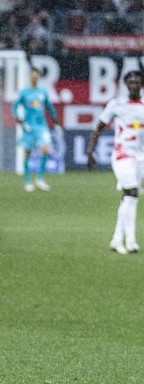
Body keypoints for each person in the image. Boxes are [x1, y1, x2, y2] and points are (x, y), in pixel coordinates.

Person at [86, 70, 144, 254]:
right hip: (122, 155)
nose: (134, 85)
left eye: (137, 82)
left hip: (140, 157)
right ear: (126, 85)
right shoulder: (117, 104)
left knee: (130, 197)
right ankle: (131, 241)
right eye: (131, 82)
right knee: (131, 192)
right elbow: (99, 127)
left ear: (141, 84)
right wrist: (90, 151)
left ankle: (117, 239)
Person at [12, 66, 61, 192]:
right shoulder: (24, 92)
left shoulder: (43, 92)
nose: (34, 77)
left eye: (36, 75)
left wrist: (55, 119)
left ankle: (40, 179)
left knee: (45, 150)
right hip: (28, 127)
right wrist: (18, 118)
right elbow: (15, 106)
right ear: (30, 76)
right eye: (32, 75)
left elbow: (49, 107)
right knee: (27, 153)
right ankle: (28, 181)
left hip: (41, 126)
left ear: (38, 77)